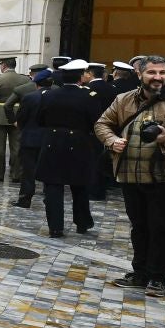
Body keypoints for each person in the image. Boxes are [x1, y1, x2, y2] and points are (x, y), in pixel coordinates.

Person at [94, 55, 165, 294]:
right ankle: (140, 272)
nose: (157, 78)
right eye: (152, 73)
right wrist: (112, 141)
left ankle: (158, 276)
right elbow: (102, 123)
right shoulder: (123, 100)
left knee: (163, 228)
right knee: (139, 227)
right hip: (130, 176)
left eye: (162, 73)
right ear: (139, 74)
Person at [34, 61, 100, 237]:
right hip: (79, 141)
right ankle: (82, 222)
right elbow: (96, 120)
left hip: (53, 141)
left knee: (53, 186)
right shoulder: (89, 96)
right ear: (80, 78)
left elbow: (40, 119)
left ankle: (55, 227)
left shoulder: (48, 95)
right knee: (79, 184)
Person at [0, 55, 30, 183]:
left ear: (3, 65)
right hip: (18, 116)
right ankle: (16, 174)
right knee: (17, 147)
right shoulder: (25, 79)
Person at [15, 69, 52, 208]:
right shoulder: (56, 96)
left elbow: (21, 118)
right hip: (50, 139)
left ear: (36, 84)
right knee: (49, 171)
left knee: (28, 172)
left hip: (30, 139)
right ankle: (49, 198)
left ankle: (25, 199)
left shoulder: (29, 97)